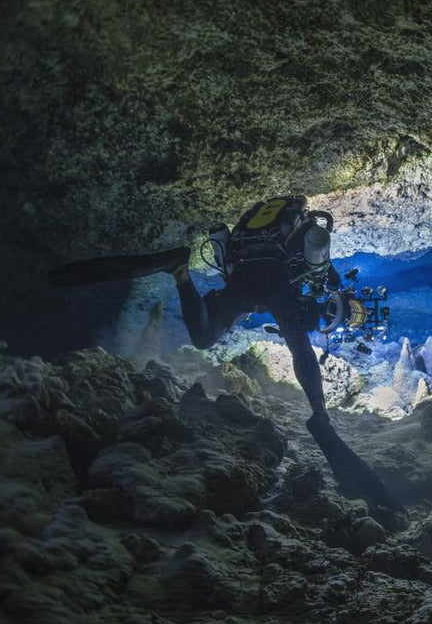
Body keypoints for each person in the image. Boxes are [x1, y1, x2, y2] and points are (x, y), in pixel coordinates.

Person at [49, 195, 404, 521]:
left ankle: (179, 269)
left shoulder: (295, 258)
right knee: (294, 343)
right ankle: (319, 414)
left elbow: (315, 296)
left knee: (204, 336)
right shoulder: (299, 284)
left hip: (246, 276)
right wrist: (318, 409)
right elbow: (303, 349)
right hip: (268, 285)